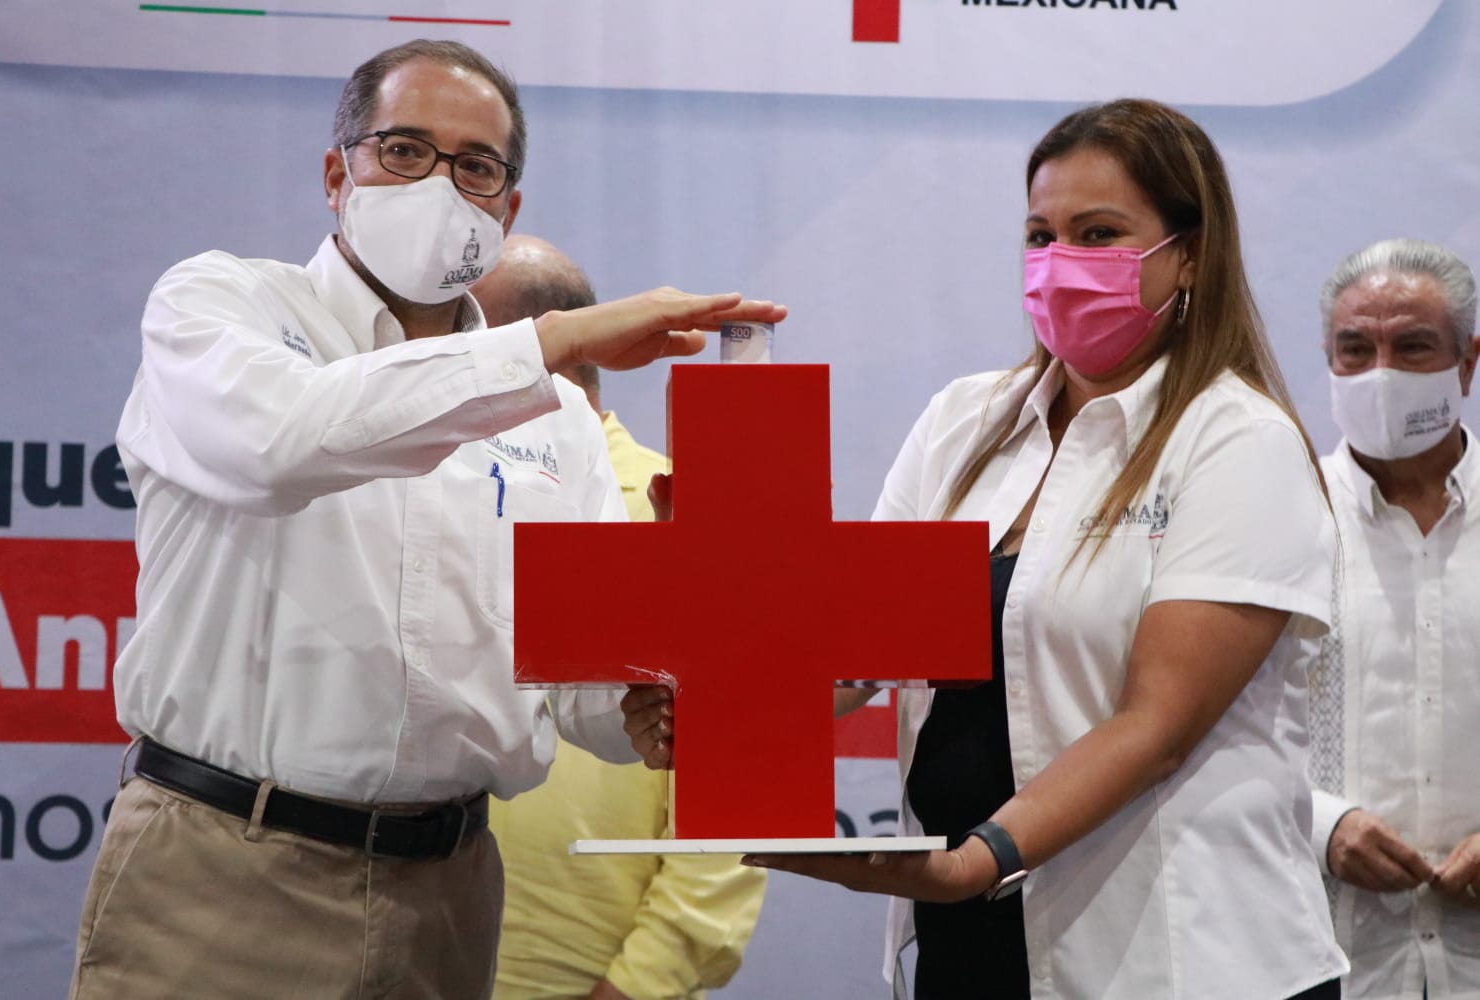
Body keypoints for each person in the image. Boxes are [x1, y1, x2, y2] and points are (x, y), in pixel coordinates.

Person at [67, 39, 784, 1000]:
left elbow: (579, 692)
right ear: (338, 174)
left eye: (476, 166)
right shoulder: (221, 304)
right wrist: (551, 341)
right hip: (226, 868)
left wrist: (654, 699)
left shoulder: (560, 417)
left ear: (506, 209)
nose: (440, 187)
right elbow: (285, 442)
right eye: (404, 150)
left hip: (450, 892)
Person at [628, 98, 1349, 999]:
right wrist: (716, 707)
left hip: (1178, 953)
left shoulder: (1238, 441)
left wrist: (978, 862)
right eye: (1041, 236)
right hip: (967, 942)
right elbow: (854, 646)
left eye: (1099, 234)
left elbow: (1157, 726)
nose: (1059, 263)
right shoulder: (965, 420)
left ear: (1190, 253)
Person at [472, 235, 767, 1000]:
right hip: (419, 952)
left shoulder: (686, 518)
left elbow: (735, 800)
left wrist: (640, 983)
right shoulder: (440, 504)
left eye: (458, 344)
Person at [1309, 238, 1480, 999]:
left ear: (1467, 362)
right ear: (1328, 360)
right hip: (1330, 954)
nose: (1381, 374)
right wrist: (1320, 825)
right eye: (1356, 349)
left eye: (1412, 347)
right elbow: (1208, 731)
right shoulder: (1280, 514)